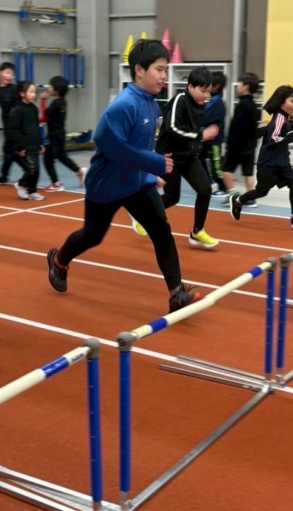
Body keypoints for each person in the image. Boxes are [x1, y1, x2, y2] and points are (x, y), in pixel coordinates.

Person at [46, 40, 201, 313]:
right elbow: (110, 145)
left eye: (166, 70)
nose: (164, 76)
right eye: (159, 69)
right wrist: (155, 164)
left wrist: (150, 174)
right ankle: (59, 260)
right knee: (92, 236)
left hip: (137, 183)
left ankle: (176, 293)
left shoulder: (151, 104)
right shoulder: (124, 105)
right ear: (139, 70)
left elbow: (140, 147)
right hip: (106, 185)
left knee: (161, 231)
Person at [135, 66, 219, 250]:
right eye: (203, 91)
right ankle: (142, 215)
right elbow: (173, 128)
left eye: (209, 92)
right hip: (169, 157)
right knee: (172, 197)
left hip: (188, 156)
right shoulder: (179, 100)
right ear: (190, 87)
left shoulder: (200, 104)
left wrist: (198, 141)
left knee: (205, 189)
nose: (206, 95)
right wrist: (201, 135)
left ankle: (197, 232)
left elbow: (191, 131)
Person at [229, 85, 293, 229]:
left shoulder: (282, 118)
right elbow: (275, 140)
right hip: (269, 164)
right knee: (261, 191)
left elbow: (272, 133)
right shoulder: (280, 119)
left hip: (281, 163)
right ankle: (238, 200)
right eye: (292, 101)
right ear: (281, 101)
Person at [221, 72, 262, 207]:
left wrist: (230, 144)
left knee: (226, 170)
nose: (238, 86)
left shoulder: (242, 105)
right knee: (248, 172)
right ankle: (250, 198)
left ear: (246, 86)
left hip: (237, 145)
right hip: (250, 146)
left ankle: (233, 196)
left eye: (240, 84)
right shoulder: (253, 105)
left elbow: (237, 127)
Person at [41, 75, 84, 192]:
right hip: (59, 133)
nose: (49, 88)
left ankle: (56, 183)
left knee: (48, 159)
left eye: (51, 86)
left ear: (56, 90)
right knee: (61, 156)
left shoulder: (56, 104)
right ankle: (79, 171)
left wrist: (43, 101)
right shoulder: (63, 102)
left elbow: (45, 116)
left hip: (54, 135)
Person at [6, 80, 45, 201]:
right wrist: (19, 148)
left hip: (34, 145)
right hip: (24, 146)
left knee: (36, 170)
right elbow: (13, 130)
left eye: (35, 92)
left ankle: (32, 191)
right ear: (22, 93)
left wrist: (40, 143)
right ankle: (21, 184)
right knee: (31, 168)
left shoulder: (34, 109)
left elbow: (36, 127)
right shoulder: (17, 110)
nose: (34, 95)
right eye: (31, 92)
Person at [200, 70, 228, 197]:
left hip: (215, 139)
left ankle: (223, 187)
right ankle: (209, 183)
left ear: (216, 86)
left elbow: (209, 119)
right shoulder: (212, 101)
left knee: (216, 164)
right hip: (206, 138)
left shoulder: (218, 103)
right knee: (199, 159)